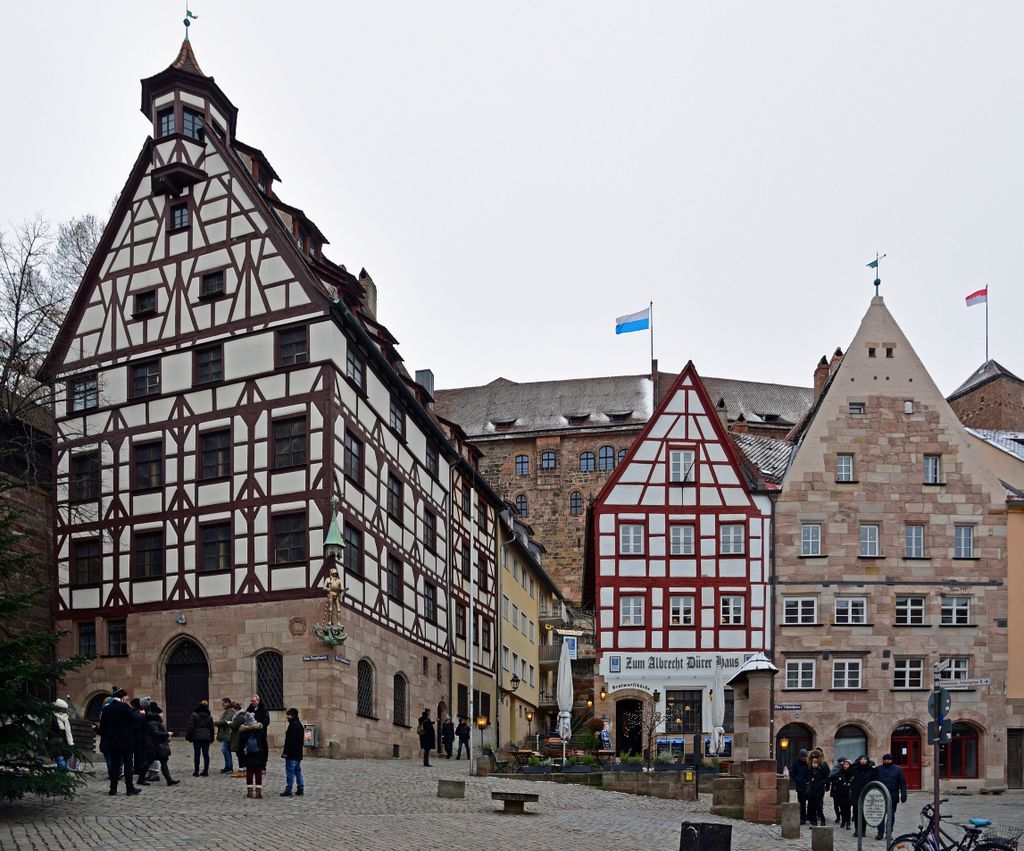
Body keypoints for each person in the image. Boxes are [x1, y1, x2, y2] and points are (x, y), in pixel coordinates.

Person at [100, 687, 140, 796]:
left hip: (113, 741)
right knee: (128, 764)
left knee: (114, 765)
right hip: (126, 741)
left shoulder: (107, 709)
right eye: (126, 697)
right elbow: (134, 720)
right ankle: (129, 789)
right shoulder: (124, 707)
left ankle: (113, 789)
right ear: (122, 697)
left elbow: (102, 727)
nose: (127, 699)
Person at [144, 703, 180, 786]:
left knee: (163, 763)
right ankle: (141, 778)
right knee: (148, 762)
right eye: (160, 713)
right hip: (156, 745)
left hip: (158, 745)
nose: (162, 715)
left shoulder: (155, 722)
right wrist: (167, 734)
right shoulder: (153, 723)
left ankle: (169, 780)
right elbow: (156, 733)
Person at [875, 752, 908, 840]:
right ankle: (880, 833)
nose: (887, 761)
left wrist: (904, 794)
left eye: (889, 759)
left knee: (891, 816)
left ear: (892, 760)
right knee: (880, 815)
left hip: (892, 797)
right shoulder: (878, 769)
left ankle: (889, 833)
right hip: (880, 797)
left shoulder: (897, 769)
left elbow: (902, 783)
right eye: (885, 759)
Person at [239, 710, 268, 798]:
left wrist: (242, 759)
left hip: (248, 755)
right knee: (258, 773)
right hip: (259, 755)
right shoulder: (260, 730)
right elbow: (265, 745)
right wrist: (265, 758)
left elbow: (240, 746)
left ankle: (250, 792)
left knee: (249, 773)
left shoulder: (243, 732)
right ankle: (258, 792)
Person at [850, 755, 878, 837]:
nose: (863, 761)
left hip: (867, 794)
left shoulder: (871, 770)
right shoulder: (855, 769)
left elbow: (874, 782)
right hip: (856, 793)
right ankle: (856, 829)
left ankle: (863, 830)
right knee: (856, 812)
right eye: (861, 759)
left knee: (863, 813)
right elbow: (850, 775)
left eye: (864, 759)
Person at [185, 700, 215, 776]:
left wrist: (188, 736)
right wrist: (212, 738)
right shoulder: (209, 717)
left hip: (197, 736)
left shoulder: (194, 715)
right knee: (206, 754)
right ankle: (206, 771)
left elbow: (190, 727)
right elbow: (212, 729)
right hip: (206, 737)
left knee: (197, 754)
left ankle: (196, 771)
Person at [280, 708, 305, 797]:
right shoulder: (299, 725)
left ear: (293, 716)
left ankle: (289, 790)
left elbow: (290, 741)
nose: (287, 717)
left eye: (289, 715)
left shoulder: (293, 725)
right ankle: (300, 788)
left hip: (292, 754)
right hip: (298, 753)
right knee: (298, 771)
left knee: (290, 772)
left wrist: (285, 753)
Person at [129, 698, 153, 786]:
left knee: (139, 754)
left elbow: (137, 725)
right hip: (139, 736)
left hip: (139, 737)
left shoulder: (137, 713)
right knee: (139, 754)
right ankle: (138, 769)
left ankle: (138, 769)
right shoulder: (140, 712)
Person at [806, 752, 831, 827]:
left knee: (819, 806)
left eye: (816, 758)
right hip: (811, 788)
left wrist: (824, 784)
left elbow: (827, 777)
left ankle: (822, 819)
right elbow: (807, 776)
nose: (814, 759)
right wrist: (809, 780)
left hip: (819, 788)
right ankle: (814, 822)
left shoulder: (823, 765)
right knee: (812, 806)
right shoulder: (809, 766)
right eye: (813, 758)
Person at [831, 757, 854, 830]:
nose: (845, 766)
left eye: (847, 764)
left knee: (847, 808)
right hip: (840, 793)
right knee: (842, 808)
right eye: (844, 764)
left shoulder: (851, 773)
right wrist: (838, 781)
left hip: (848, 793)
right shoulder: (839, 772)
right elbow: (832, 778)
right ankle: (843, 821)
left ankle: (848, 822)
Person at [51, 699, 75, 771]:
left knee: (65, 766)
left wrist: (71, 744)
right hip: (56, 744)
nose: (65, 711)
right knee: (61, 764)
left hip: (66, 744)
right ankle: (57, 779)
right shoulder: (52, 717)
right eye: (63, 709)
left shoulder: (66, 718)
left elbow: (69, 732)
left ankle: (61, 781)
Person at [216, 697, 236, 773]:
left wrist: (215, 722)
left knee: (225, 749)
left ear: (227, 703)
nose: (222, 705)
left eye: (223, 703)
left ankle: (229, 767)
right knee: (226, 750)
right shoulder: (227, 711)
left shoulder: (230, 711)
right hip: (225, 734)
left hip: (227, 734)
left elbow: (225, 721)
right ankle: (228, 766)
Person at [790, 748, 810, 825]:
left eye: (805, 756)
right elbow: (793, 774)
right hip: (800, 786)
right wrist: (798, 780)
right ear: (800, 756)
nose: (804, 758)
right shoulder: (796, 763)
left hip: (808, 786)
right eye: (803, 757)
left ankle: (810, 817)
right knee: (802, 804)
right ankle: (802, 818)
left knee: (811, 803)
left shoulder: (809, 763)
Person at [230, 702, 247, 778]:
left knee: (240, 754)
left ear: (236, 709)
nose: (233, 711)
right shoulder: (239, 715)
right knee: (240, 754)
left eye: (233, 709)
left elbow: (235, 726)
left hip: (239, 737)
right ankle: (242, 769)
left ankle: (242, 770)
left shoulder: (240, 716)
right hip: (238, 736)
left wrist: (230, 723)